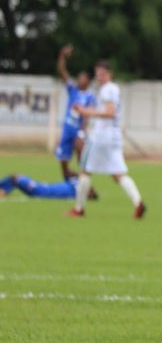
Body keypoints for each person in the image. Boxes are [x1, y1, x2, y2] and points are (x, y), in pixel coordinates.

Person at [67, 61, 147, 219]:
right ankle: (138, 203)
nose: (99, 77)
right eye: (97, 74)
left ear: (110, 74)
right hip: (114, 137)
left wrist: (86, 111)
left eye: (102, 74)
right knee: (118, 174)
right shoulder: (114, 88)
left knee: (85, 170)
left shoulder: (107, 90)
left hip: (101, 137)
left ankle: (79, 208)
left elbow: (109, 112)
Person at [55, 45, 97, 180]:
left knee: (82, 154)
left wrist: (84, 130)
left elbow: (88, 114)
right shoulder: (73, 89)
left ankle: (85, 180)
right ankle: (69, 179)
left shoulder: (90, 96)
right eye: (78, 77)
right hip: (68, 128)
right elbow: (62, 71)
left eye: (82, 78)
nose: (79, 79)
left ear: (88, 81)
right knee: (63, 159)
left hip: (79, 130)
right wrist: (62, 55)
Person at [0, 173, 96, 199]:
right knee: (15, 178)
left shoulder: (76, 192)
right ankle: (3, 191)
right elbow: (69, 175)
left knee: (15, 178)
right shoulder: (74, 184)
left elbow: (93, 195)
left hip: (41, 191)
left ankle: (3, 192)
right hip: (41, 187)